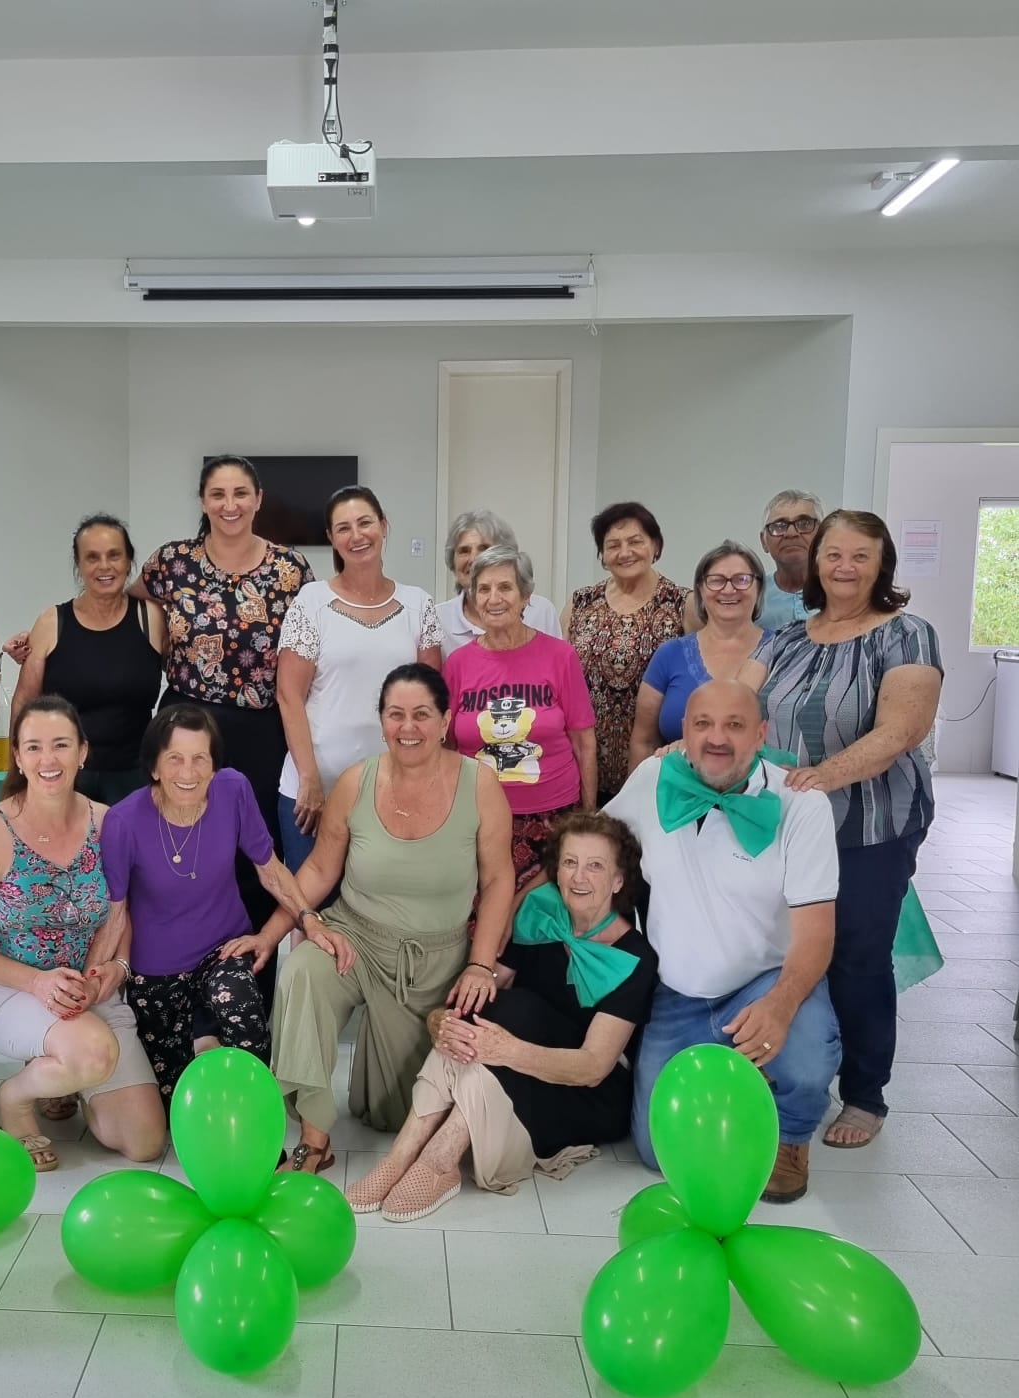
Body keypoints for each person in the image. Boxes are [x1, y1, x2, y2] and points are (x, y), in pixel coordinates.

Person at [263, 665, 516, 1173]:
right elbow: (316, 869)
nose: (408, 727)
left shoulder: (480, 785)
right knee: (303, 971)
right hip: (354, 937)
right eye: (395, 714)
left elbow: (497, 883)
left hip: (435, 959)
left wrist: (480, 964)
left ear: (446, 721)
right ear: (381, 721)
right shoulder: (357, 781)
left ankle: (376, 1075)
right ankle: (314, 1142)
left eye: (422, 714)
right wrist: (269, 936)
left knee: (391, 1116)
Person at [345, 812, 658, 1221]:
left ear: (618, 880)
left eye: (595, 866)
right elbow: (486, 991)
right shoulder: (542, 913)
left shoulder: (636, 958)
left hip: (586, 1093)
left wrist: (507, 1051)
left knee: (515, 1011)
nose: (579, 877)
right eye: (569, 862)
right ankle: (403, 1154)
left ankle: (440, 1160)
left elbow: (593, 1067)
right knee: (488, 1011)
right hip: (522, 1062)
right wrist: (441, 1020)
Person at [743, 510, 943, 1150]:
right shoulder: (785, 638)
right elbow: (737, 703)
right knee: (788, 951)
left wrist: (821, 776)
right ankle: (797, 1071)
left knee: (856, 956)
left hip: (870, 825)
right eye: (834, 554)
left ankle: (864, 1093)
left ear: (882, 563)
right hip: (787, 824)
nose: (846, 567)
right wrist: (694, 742)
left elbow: (901, 730)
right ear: (817, 563)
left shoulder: (907, 635)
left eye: (862, 555)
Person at [610, 680, 841, 1203]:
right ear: (683, 736)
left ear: (761, 734)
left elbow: (817, 931)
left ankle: (791, 1133)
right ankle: (736, 1094)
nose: (717, 739)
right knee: (653, 1151)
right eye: (702, 725)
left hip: (765, 981)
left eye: (735, 725)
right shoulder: (653, 778)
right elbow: (598, 845)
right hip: (678, 993)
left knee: (804, 1059)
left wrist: (781, 1006)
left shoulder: (800, 804)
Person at [0, 695, 165, 1172]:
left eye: (61, 745)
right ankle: (17, 1097)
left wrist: (116, 969)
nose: (49, 760)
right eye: (34, 747)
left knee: (143, 1142)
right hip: (6, 989)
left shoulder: (109, 823)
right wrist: (38, 983)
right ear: (18, 757)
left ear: (83, 751)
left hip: (88, 993)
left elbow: (120, 912)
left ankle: (65, 1075)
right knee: (92, 1052)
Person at [102, 705, 319, 1103]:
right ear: (154, 767)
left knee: (238, 1003)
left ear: (214, 763)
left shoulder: (232, 789)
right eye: (176, 759)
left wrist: (308, 917)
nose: (189, 772)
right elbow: (116, 914)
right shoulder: (123, 821)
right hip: (156, 970)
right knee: (174, 1099)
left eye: (200, 758)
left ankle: (257, 1112)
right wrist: (99, 974)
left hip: (223, 948)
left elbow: (269, 869)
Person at [138, 456, 313, 872]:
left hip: (262, 729)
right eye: (217, 494)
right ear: (202, 501)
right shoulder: (171, 562)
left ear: (258, 500)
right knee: (182, 839)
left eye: (240, 494)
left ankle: (257, 938)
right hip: (185, 724)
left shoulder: (290, 570)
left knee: (258, 845)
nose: (229, 505)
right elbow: (123, 606)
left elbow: (313, 644)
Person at [275, 486, 442, 867]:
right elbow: (289, 696)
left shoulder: (418, 604)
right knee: (312, 908)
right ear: (332, 539)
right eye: (344, 528)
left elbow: (432, 702)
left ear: (384, 526)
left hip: (396, 791)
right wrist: (310, 779)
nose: (357, 535)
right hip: (315, 791)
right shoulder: (311, 602)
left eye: (365, 522)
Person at [443, 546, 596, 900]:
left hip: (554, 818)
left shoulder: (560, 656)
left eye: (505, 588)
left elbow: (584, 741)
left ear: (526, 596)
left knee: (541, 928)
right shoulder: (458, 665)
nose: (494, 598)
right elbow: (448, 747)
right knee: (482, 920)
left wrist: (587, 817)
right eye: (483, 589)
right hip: (481, 819)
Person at [11, 514, 167, 805]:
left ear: (129, 560)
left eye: (114, 555)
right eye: (92, 557)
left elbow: (186, 671)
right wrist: (19, 774)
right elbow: (24, 704)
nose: (104, 566)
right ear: (79, 565)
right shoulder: (50, 623)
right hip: (63, 775)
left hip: (135, 776)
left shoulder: (152, 619)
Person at [563, 502, 687, 805]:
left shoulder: (682, 604)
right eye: (613, 545)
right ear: (603, 556)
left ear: (655, 545)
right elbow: (561, 678)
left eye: (635, 541)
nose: (625, 552)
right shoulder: (581, 603)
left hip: (655, 761)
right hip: (585, 763)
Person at [630, 541, 769, 766]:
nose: (729, 589)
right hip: (677, 794)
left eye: (742, 579)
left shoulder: (784, 651)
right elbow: (643, 742)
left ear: (759, 588)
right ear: (700, 591)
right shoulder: (669, 654)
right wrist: (638, 798)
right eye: (716, 580)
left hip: (759, 792)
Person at [436, 509, 563, 653]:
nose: (473, 559)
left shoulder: (541, 611)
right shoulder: (438, 619)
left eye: (484, 549)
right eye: (464, 551)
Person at [758, 490, 822, 632]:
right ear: (764, 541)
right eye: (779, 526)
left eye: (804, 524)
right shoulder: (750, 597)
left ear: (822, 535)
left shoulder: (841, 592)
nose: (791, 534)